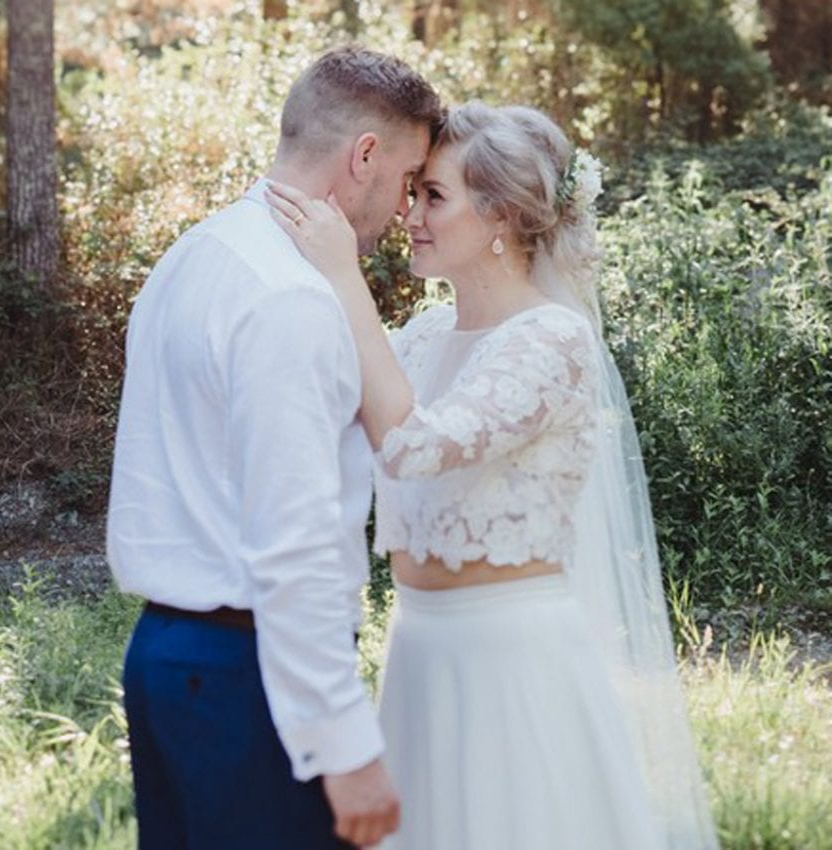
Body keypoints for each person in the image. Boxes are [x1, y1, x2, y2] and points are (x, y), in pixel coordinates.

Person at [265, 101, 720, 850]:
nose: (410, 213)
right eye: (413, 193)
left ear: (503, 214)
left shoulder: (551, 341)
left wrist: (343, 274)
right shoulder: (424, 334)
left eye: (433, 195)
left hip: (512, 665)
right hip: (418, 654)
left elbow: (411, 446)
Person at [106, 46, 442, 850]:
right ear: (364, 156)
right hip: (249, 679)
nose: (406, 209)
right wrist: (343, 745)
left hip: (162, 655)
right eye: (408, 179)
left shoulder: (195, 255)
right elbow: (294, 541)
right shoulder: (291, 299)